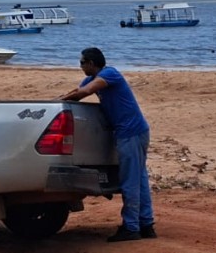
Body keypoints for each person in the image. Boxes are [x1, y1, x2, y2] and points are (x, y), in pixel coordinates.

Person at [61, 47, 156, 242]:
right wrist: (57, 101)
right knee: (139, 179)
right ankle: (146, 224)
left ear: (91, 63)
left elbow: (86, 91)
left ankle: (131, 227)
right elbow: (78, 93)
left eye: (81, 63)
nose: (80, 66)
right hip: (132, 133)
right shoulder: (92, 79)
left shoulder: (109, 74)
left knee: (130, 181)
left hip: (131, 133)